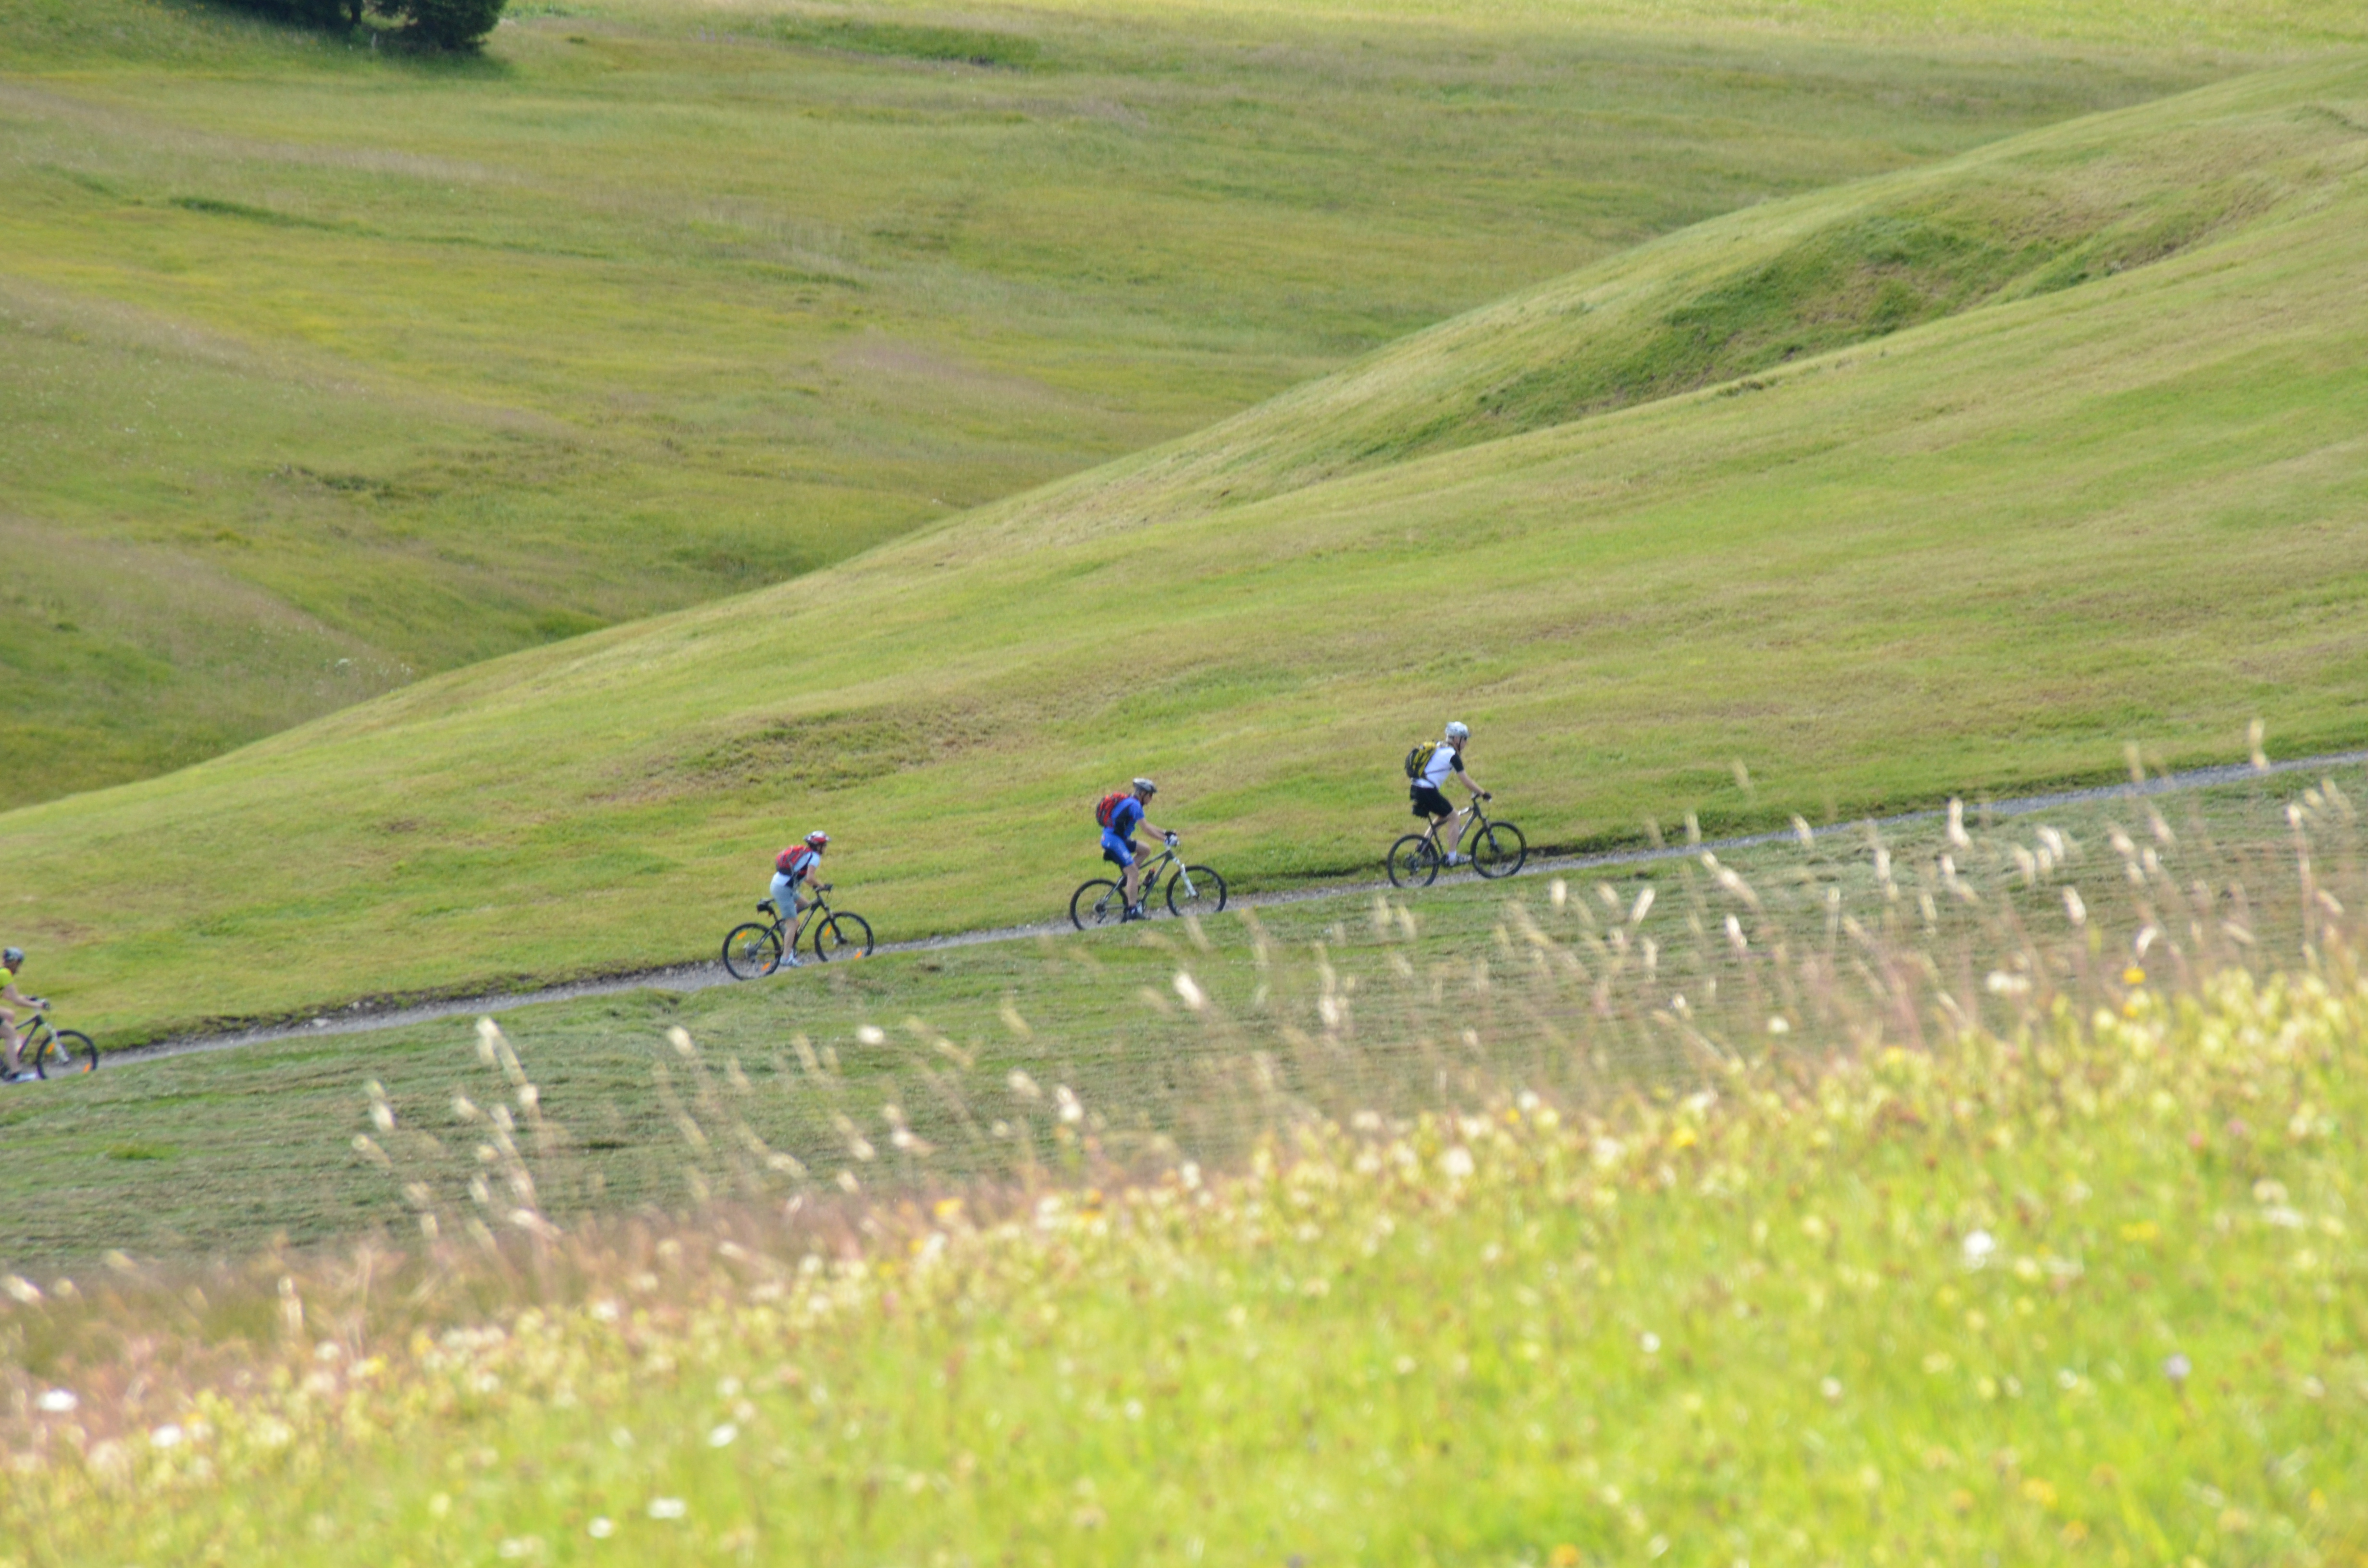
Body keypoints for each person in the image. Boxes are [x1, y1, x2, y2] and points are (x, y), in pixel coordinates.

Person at [1410, 721, 1491, 865]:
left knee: (1443, 815)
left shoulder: (1439, 748)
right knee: (1454, 817)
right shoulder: (1452, 755)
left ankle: (1423, 845)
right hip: (1427, 789)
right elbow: (1465, 781)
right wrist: (1483, 793)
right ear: (1456, 739)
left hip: (1418, 788)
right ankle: (1452, 858)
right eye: (1465, 739)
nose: (1466, 742)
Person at [1100, 778, 1175, 921]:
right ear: (1142, 794)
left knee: (1146, 849)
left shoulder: (1133, 803)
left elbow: (1148, 826)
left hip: (1118, 839)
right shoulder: (1134, 805)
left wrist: (1166, 833)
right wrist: (1165, 840)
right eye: (1150, 795)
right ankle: (1133, 910)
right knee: (1134, 873)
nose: (1151, 798)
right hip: (1113, 841)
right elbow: (1146, 829)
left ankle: (1126, 879)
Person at [769, 832, 831, 968]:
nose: (826, 848)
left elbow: (803, 876)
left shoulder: (806, 853)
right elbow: (809, 878)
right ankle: (786, 958)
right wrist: (823, 886)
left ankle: (786, 928)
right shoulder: (815, 857)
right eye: (824, 845)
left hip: (783, 885)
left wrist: (816, 886)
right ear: (818, 846)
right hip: (784, 889)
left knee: (807, 905)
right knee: (793, 924)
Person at [1, 947, 42, 1083]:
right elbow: (16, 1001)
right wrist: (38, 1006)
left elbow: (8, 995)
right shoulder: (5, 973)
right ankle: (16, 1075)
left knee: (9, 1015)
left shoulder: (3, 973)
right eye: (19, 963)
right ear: (13, 962)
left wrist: (29, 998)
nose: (19, 967)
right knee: (11, 1033)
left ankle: (8, 1058)